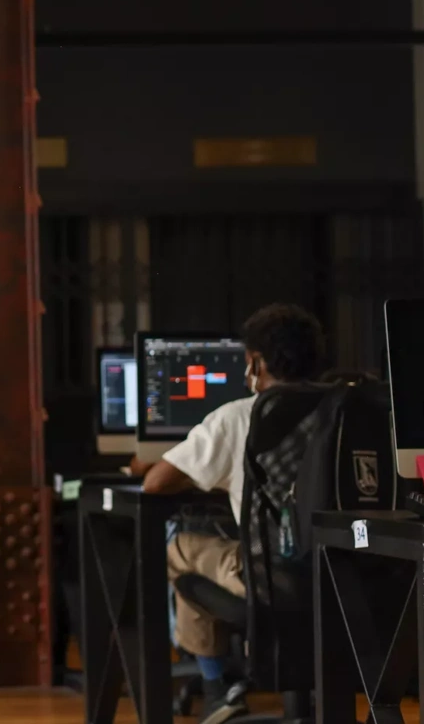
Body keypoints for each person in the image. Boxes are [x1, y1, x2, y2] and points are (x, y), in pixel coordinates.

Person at [135, 303, 325, 724]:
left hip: (271, 577)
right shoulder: (339, 411)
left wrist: (210, 475)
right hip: (338, 576)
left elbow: (156, 484)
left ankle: (219, 688)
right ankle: (229, 684)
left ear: (255, 363)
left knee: (178, 547)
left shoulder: (239, 416)